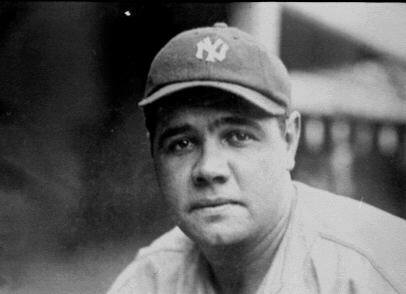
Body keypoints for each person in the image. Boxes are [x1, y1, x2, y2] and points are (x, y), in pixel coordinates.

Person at [107, 23, 406, 294]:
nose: (209, 168)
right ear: (153, 153)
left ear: (289, 140)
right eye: (182, 143)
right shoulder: (148, 282)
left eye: (238, 136)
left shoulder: (378, 271)